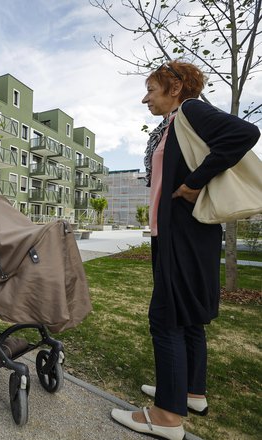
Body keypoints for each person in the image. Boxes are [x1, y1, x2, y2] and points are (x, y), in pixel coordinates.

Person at [110, 61, 260, 439]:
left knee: (166, 317)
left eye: (151, 89)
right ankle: (190, 393)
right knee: (189, 316)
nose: (145, 98)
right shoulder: (174, 123)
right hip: (185, 232)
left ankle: (166, 417)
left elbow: (244, 132)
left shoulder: (190, 110)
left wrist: (193, 184)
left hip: (183, 232)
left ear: (174, 87)